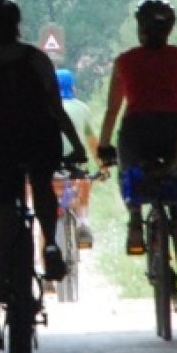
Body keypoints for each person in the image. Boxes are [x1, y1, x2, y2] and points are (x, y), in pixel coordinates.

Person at [0, 0, 87, 352]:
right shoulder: (36, 58)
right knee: (41, 184)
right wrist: (77, 146)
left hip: (4, 147)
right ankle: (51, 244)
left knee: (2, 232)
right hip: (41, 140)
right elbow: (55, 107)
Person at [96, 0, 177, 316]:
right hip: (176, 131)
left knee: (129, 170)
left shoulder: (125, 61)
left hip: (138, 131)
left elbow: (112, 109)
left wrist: (104, 145)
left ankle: (135, 220)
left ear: (140, 29)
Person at [53, 67, 98, 249]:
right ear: (72, 87)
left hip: (48, 165)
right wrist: (102, 168)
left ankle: (46, 255)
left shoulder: (40, 107)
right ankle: (82, 220)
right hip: (75, 165)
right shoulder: (82, 108)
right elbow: (93, 143)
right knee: (81, 186)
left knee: (45, 214)